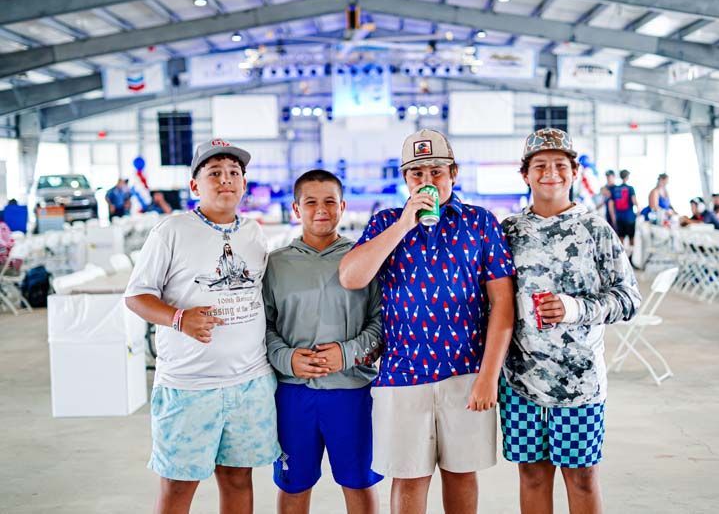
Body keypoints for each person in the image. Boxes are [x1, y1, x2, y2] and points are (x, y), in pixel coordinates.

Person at [339, 129, 515, 514]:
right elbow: (351, 277)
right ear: (405, 181)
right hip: (402, 374)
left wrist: (489, 376)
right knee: (407, 477)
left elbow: (502, 304)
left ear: (453, 173)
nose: (427, 182)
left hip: (466, 373)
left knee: (462, 474)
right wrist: (404, 223)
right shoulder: (386, 222)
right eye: (417, 174)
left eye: (436, 172)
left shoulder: (481, 222)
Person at [124, 139, 280, 514]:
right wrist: (179, 318)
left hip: (249, 383)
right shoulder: (172, 230)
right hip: (190, 384)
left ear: (244, 183)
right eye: (214, 173)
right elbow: (136, 296)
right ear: (195, 185)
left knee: (238, 478)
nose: (226, 180)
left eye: (234, 173)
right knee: (179, 485)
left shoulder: (254, 232)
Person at [500, 128, 641, 514]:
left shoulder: (596, 230)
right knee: (531, 473)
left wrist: (576, 308)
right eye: (540, 165)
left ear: (574, 172)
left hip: (580, 383)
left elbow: (629, 298)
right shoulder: (508, 231)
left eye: (561, 165)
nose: (551, 173)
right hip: (519, 382)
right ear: (525, 174)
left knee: (581, 477)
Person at [264, 169, 383, 514]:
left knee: (358, 483)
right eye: (311, 202)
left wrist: (347, 354)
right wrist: (287, 359)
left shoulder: (363, 258)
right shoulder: (275, 264)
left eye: (330, 201)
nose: (321, 209)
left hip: (352, 393)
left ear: (343, 206)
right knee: (293, 483)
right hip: (292, 394)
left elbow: (381, 322)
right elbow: (264, 326)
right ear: (296, 209)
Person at [609, 169, 638, 251]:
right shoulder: (630, 188)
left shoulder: (614, 189)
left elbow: (611, 205)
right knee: (631, 238)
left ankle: (621, 257)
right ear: (627, 177)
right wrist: (639, 210)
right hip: (630, 217)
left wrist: (613, 218)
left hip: (619, 217)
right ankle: (631, 259)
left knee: (620, 239)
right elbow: (634, 201)